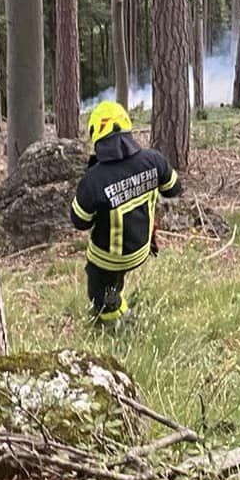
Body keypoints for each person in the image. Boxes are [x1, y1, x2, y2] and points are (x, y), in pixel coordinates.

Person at [70, 101, 182, 323]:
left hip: (108, 259)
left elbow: (79, 221)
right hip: (142, 248)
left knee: (99, 290)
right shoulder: (154, 159)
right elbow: (174, 189)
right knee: (114, 280)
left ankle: (115, 321)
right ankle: (116, 301)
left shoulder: (94, 179)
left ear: (96, 134)